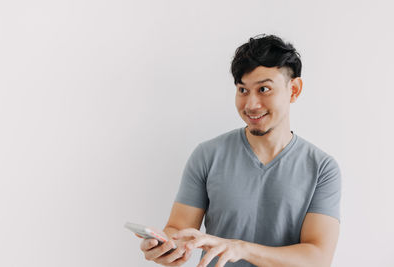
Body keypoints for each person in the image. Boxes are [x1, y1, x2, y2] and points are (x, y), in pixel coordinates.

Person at [139, 34, 341, 267]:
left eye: (264, 89)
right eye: (243, 90)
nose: (251, 105)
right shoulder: (207, 155)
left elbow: (317, 258)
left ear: (294, 89)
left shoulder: (322, 168)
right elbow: (178, 230)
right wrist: (165, 248)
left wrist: (240, 248)